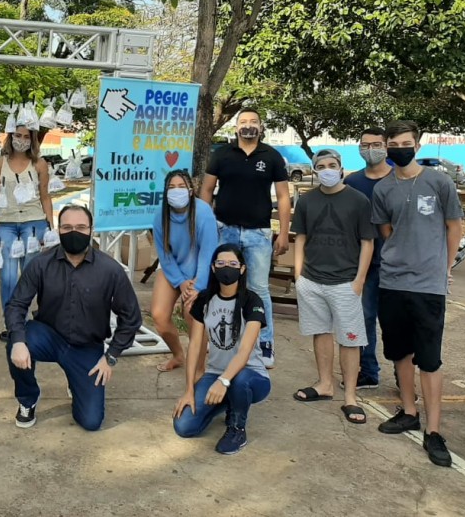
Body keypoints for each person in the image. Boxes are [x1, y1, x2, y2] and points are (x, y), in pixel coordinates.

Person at [371, 120, 463, 467]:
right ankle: (409, 412)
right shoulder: (383, 189)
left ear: (418, 146)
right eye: (393, 144)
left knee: (430, 358)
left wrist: (445, 267)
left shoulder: (439, 182)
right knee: (400, 352)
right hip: (393, 283)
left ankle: (434, 431)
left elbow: (454, 226)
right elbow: (386, 230)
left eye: (405, 143)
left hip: (428, 286)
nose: (399, 149)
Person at [6, 205, 142, 430]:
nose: (74, 232)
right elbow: (16, 304)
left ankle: (76, 382)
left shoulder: (110, 270)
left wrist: (111, 356)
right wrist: (19, 341)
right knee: (16, 341)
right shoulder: (41, 263)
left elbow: (131, 317)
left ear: (91, 230)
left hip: (87, 347)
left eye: (80, 227)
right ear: (58, 230)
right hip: (49, 338)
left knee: (91, 422)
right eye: (67, 227)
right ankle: (27, 400)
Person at [200, 108, 290, 367]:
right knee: (220, 284)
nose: (248, 125)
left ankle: (264, 343)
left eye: (253, 122)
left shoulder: (271, 156)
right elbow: (207, 190)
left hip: (258, 233)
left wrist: (284, 233)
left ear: (260, 127)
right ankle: (217, 339)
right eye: (243, 122)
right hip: (224, 230)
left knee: (259, 289)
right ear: (236, 126)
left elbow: (283, 196)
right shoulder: (222, 154)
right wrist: (205, 226)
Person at [291, 150, 375, 425]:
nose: (327, 169)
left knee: (350, 339)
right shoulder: (307, 201)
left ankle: (350, 396)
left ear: (340, 168)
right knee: (320, 331)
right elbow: (300, 238)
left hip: (345, 282)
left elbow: (367, 242)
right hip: (312, 280)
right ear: (314, 170)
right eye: (321, 166)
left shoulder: (358, 201)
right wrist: (298, 275)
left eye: (332, 165)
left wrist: (359, 280)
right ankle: (324, 384)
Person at [173, 244, 271, 455]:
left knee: (240, 380)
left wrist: (223, 381)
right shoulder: (204, 300)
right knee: (184, 426)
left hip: (251, 376)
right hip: (215, 374)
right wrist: (189, 390)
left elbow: (244, 352)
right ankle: (228, 402)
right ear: (213, 267)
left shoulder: (252, 301)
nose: (227, 268)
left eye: (233, 264)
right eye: (221, 263)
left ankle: (237, 428)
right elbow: (195, 345)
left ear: (242, 269)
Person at [0, 125, 54, 342]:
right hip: (6, 224)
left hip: (34, 223)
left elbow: (45, 196)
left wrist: (50, 227)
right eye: (18, 135)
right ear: (10, 136)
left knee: (29, 276)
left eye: (27, 136)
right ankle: (12, 324)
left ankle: (25, 322)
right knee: (7, 277)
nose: (22, 140)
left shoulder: (39, 164)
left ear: (32, 140)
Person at [150, 169, 218, 373]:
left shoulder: (203, 212)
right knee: (159, 316)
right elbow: (165, 255)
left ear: (190, 190)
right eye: (171, 187)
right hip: (173, 269)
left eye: (181, 186)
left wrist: (198, 285)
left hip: (201, 271)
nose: (176, 191)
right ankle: (178, 355)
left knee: (193, 315)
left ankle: (199, 369)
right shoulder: (160, 216)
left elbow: (208, 253)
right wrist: (180, 282)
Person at [344, 127, 392, 389]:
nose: (370, 150)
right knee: (365, 317)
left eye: (376, 144)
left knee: (396, 321)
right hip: (364, 264)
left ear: (386, 146)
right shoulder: (353, 182)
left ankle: (404, 375)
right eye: (365, 145)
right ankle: (369, 371)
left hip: (396, 263)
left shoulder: (399, 178)